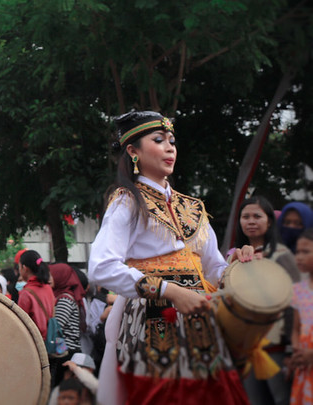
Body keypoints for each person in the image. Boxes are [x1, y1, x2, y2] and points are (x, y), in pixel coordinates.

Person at [88, 110, 253, 404]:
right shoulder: (127, 201)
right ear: (132, 151)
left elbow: (213, 267)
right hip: (154, 321)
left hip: (200, 322)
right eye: (159, 140)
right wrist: (170, 291)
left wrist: (239, 268)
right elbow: (102, 267)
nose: (169, 147)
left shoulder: (193, 207)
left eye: (172, 141)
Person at [232, 195, 299, 405]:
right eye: (245, 217)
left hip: (276, 348)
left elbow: (295, 305)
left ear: (269, 221)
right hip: (246, 350)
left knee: (282, 400)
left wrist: (290, 350)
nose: (251, 221)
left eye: (257, 216)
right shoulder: (233, 259)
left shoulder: (281, 255)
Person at [50, 263, 87, 386]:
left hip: (66, 352)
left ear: (60, 277)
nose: (49, 278)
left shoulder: (65, 299)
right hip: (67, 350)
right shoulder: (63, 296)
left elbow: (58, 326)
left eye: (52, 275)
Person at [290, 228, 313, 404]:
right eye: (297, 252)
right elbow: (296, 328)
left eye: (306, 252)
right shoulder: (298, 290)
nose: (299, 257)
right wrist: (297, 351)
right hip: (304, 365)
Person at [17, 250, 55, 341]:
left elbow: (21, 323)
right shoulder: (47, 288)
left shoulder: (26, 293)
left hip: (35, 342)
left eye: (19, 267)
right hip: (50, 339)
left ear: (24, 268)